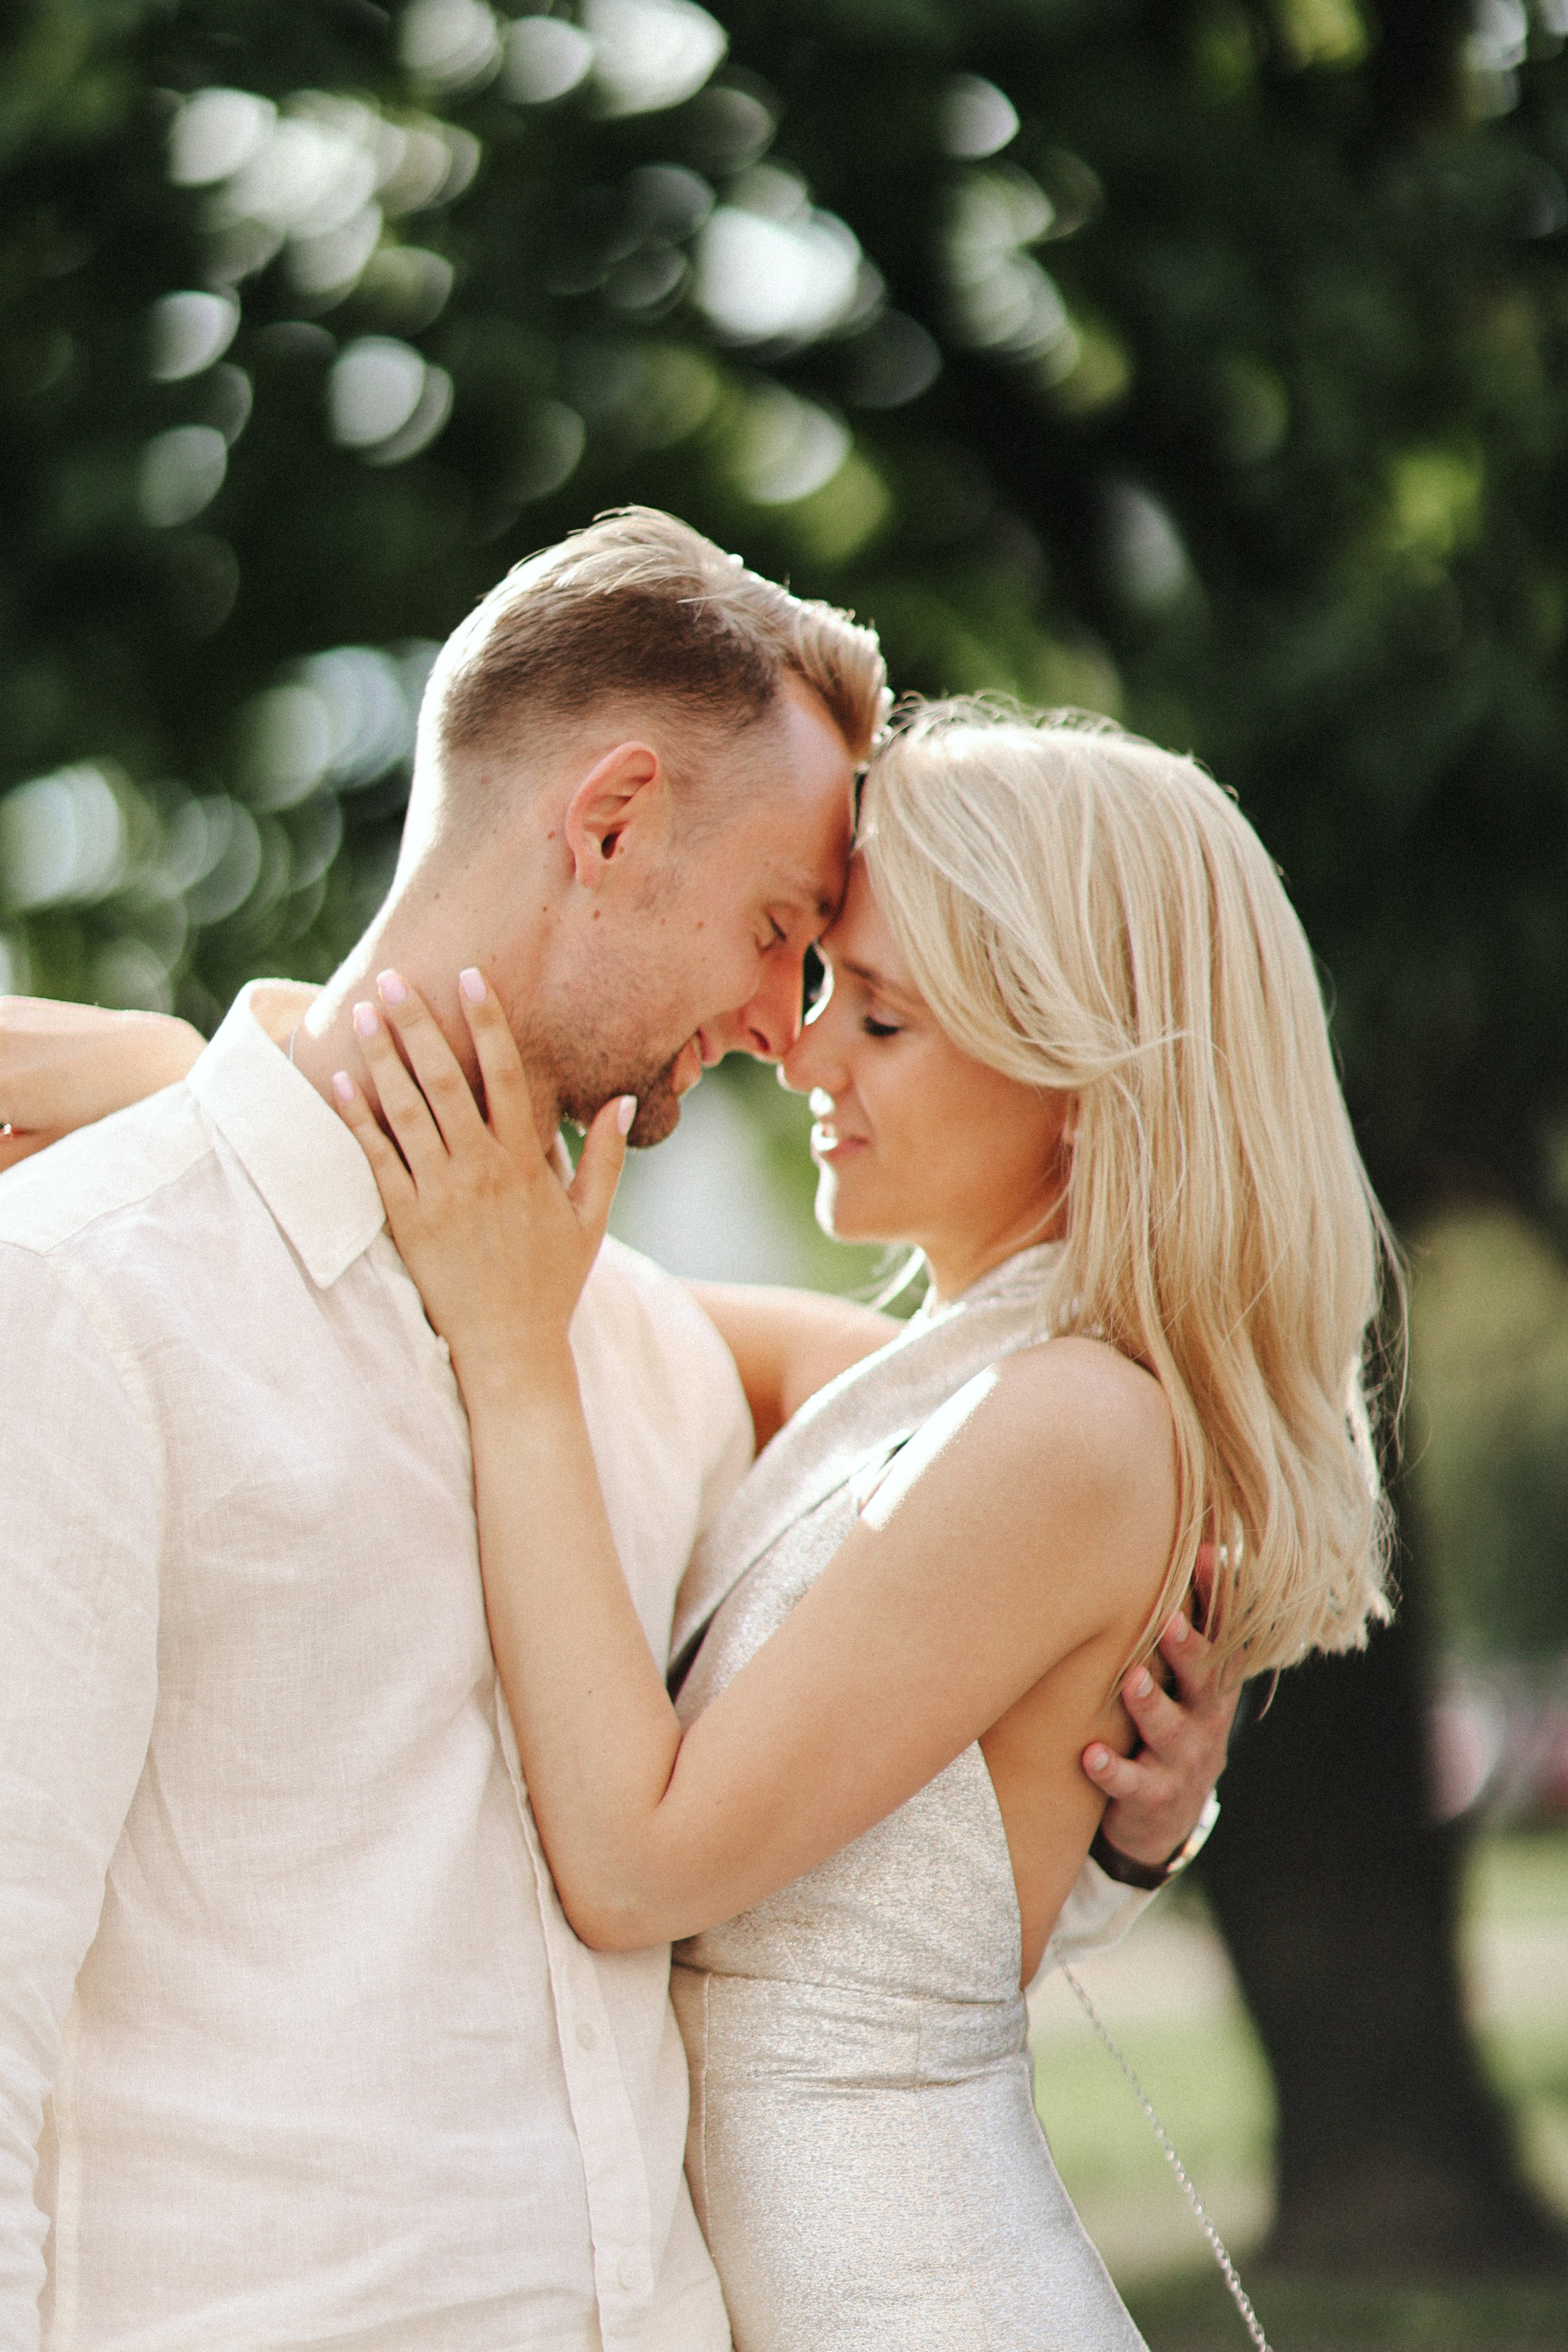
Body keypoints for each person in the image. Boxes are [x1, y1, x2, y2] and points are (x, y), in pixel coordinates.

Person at [0, 517, 1231, 2352]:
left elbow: (965, 1495)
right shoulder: (84, 1304)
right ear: (610, 822)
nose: (776, 1029)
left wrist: (1131, 1797)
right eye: (776, 934)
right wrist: (181, 1104)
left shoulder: (629, 1359)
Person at [325, 699, 1398, 2352]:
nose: (802, 1049)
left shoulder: (1077, 1427)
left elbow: (634, 1865)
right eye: (824, 981)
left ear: (1077, 1074)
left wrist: (518, 1369)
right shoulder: (942, 1383)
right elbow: (534, 1260)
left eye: (880, 1019)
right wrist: (171, 1088)